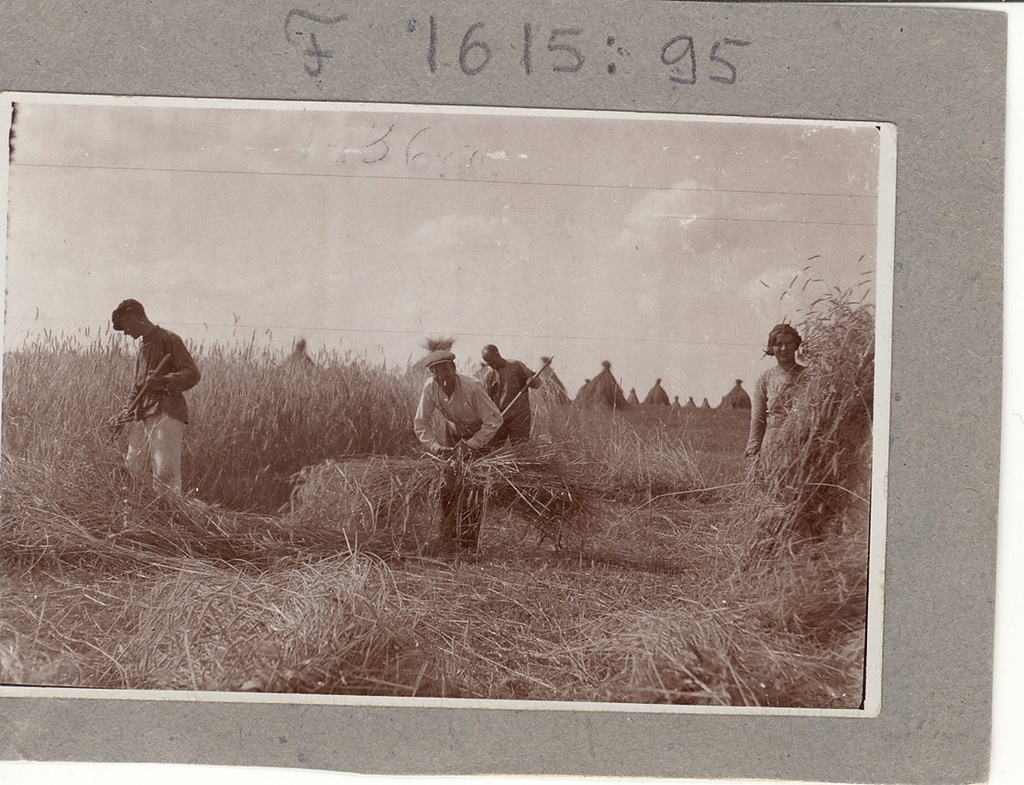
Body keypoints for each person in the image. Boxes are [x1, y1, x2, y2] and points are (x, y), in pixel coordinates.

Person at [413, 350, 503, 552]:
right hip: (454, 434)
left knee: (473, 488)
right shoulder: (430, 388)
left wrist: (472, 444)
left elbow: (494, 420)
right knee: (448, 485)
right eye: (437, 372)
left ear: (454, 369)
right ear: (432, 374)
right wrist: (436, 447)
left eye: (446, 370)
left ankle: (468, 544)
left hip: (480, 435)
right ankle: (448, 537)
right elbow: (420, 423)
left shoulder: (472, 388)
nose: (442, 376)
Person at [111, 299, 201, 496]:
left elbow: (193, 374)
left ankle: (169, 514)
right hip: (143, 413)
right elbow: (138, 387)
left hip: (165, 412)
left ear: (133, 317)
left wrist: (163, 381)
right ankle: (135, 514)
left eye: (124, 326)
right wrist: (125, 412)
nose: (125, 333)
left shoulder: (169, 339)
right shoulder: (144, 347)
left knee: (164, 476)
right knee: (133, 470)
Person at [745, 323, 807, 458]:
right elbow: (758, 418)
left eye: (788, 343)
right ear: (771, 348)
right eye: (778, 344)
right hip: (773, 448)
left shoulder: (810, 376)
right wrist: (753, 450)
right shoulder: (765, 379)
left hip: (804, 447)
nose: (784, 348)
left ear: (796, 345)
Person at [480, 344, 541, 445]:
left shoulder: (516, 365)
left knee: (520, 447)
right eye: (487, 362)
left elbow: (537, 382)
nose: (490, 364)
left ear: (497, 354)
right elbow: (488, 400)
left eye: (491, 361)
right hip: (501, 418)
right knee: (494, 448)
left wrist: (532, 381)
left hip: (520, 417)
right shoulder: (489, 376)